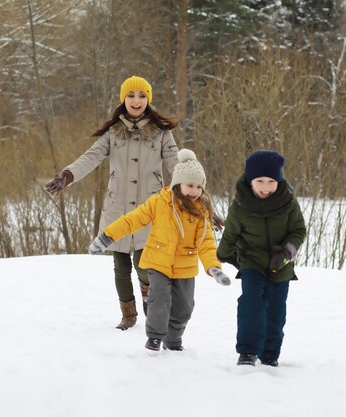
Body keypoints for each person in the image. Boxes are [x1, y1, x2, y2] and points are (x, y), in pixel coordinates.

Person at [45, 75, 179, 330]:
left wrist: (195, 196)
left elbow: (177, 166)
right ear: (123, 99)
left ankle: (152, 308)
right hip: (117, 208)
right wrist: (67, 175)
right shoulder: (113, 132)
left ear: (148, 99)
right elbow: (91, 156)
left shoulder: (162, 133)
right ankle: (128, 316)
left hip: (148, 210)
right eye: (131, 95)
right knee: (120, 267)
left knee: (144, 265)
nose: (136, 100)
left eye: (141, 95)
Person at [88, 149, 231, 351]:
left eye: (199, 186)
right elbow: (132, 220)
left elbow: (206, 243)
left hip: (185, 266)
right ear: (178, 184)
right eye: (190, 185)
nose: (195, 191)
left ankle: (173, 340)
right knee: (160, 299)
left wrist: (213, 268)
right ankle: (155, 337)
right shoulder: (159, 202)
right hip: (158, 262)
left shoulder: (201, 212)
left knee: (185, 308)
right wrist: (106, 237)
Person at [217, 150, 306, 367]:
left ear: (279, 180)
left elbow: (298, 230)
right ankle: (247, 351)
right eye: (259, 181)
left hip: (281, 264)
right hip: (252, 262)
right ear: (250, 180)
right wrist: (223, 253)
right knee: (251, 303)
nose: (265, 187)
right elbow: (231, 233)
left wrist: (287, 252)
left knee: (275, 311)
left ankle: (270, 354)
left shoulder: (288, 202)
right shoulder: (241, 204)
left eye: (271, 181)